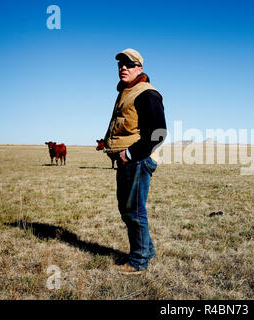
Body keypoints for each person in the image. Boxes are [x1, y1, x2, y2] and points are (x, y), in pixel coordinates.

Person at [104, 48, 167, 275]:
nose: (123, 68)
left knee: (134, 212)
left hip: (137, 160)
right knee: (129, 210)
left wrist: (128, 154)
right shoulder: (127, 92)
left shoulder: (146, 93)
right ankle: (146, 253)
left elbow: (158, 132)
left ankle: (139, 261)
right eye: (120, 64)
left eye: (129, 64)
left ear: (140, 68)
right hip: (130, 161)